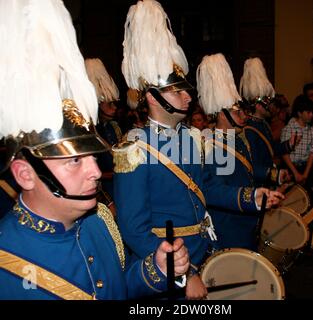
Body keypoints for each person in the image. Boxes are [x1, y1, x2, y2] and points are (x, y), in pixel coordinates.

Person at [0, 0, 189, 300]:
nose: (96, 171)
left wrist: (156, 269)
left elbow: (117, 286)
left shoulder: (98, 223)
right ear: (25, 174)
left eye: (91, 156)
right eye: (75, 160)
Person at [113, 0, 283, 300]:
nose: (187, 96)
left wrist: (250, 197)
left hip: (205, 248)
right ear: (153, 98)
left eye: (185, 89)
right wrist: (183, 273)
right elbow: (133, 229)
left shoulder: (192, 138)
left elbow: (209, 188)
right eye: (177, 91)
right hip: (170, 267)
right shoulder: (133, 149)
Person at [196, 53, 284, 251]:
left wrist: (272, 176)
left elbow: (249, 170)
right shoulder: (211, 145)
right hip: (229, 224)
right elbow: (216, 190)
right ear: (221, 113)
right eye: (238, 112)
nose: (244, 116)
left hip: (246, 218)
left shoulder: (235, 139)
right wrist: (249, 197)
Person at [239, 57, 295, 187]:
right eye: (268, 105)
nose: (271, 107)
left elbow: (270, 149)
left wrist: (288, 145)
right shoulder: (249, 129)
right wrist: (274, 174)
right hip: (258, 185)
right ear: (258, 106)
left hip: (267, 181)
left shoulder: (262, 123)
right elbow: (251, 165)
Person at [85, 58, 123, 207]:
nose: (114, 108)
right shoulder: (90, 132)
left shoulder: (114, 127)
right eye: (109, 104)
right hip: (101, 191)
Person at [281, 95, 313, 187]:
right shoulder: (289, 128)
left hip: (306, 168)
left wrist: (305, 174)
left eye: (312, 112)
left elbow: (312, 153)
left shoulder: (311, 130)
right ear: (299, 113)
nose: (311, 115)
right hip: (291, 168)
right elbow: (284, 153)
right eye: (308, 112)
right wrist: (296, 173)